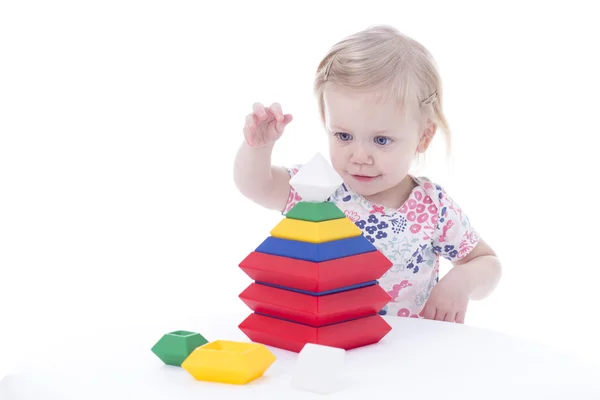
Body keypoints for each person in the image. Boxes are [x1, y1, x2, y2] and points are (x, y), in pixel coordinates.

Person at [233, 24, 501, 323]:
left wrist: (461, 282)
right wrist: (257, 148)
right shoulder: (319, 188)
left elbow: (487, 262)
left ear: (423, 137)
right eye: (344, 136)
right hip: (329, 344)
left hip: (406, 352)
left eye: (381, 140)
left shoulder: (433, 207)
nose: (359, 157)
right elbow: (257, 186)